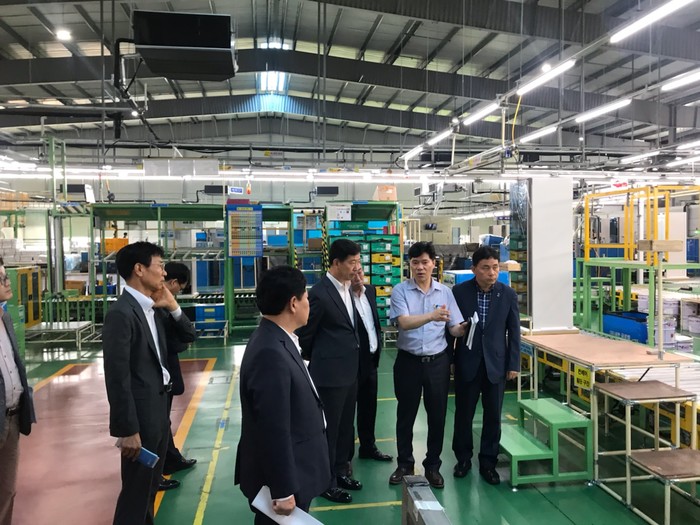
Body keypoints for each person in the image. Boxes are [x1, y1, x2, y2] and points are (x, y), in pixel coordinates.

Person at [235, 266, 330, 524]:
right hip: (285, 479)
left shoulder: (278, 338)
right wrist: (283, 489)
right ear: (293, 303)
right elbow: (272, 427)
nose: (309, 303)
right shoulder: (270, 352)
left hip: (297, 468)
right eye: (306, 297)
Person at [103, 242, 189, 525]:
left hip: (158, 412)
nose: (164, 273)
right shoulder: (122, 313)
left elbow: (188, 336)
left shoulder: (153, 308)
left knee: (150, 488)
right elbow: (117, 376)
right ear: (139, 269)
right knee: (136, 493)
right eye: (160, 266)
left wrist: (173, 306)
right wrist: (127, 429)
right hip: (140, 420)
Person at [388, 241, 466, 489]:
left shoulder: (445, 293)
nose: (420, 267)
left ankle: (432, 466)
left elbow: (453, 327)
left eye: (424, 262)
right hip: (408, 362)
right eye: (415, 263)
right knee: (405, 414)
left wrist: (463, 329)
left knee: (437, 415)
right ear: (409, 265)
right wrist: (432, 316)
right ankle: (405, 464)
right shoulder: (400, 291)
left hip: (437, 363)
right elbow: (404, 323)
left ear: (433, 264)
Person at [297, 239, 362, 504]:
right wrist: (322, 360)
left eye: (358, 261)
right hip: (329, 375)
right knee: (330, 431)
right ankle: (326, 482)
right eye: (352, 262)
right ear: (336, 263)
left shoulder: (349, 289)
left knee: (346, 429)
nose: (357, 267)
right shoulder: (320, 293)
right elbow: (306, 335)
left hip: (350, 372)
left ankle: (341, 471)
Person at [451, 246, 520, 485]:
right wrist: (450, 361)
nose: (492, 273)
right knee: (463, 414)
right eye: (486, 268)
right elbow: (450, 328)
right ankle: (463, 459)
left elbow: (514, 332)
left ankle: (488, 463)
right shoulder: (459, 292)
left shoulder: (507, 294)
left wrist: (513, 364)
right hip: (467, 362)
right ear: (474, 269)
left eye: (495, 268)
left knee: (493, 416)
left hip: (496, 365)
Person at [0, 257, 36, 525]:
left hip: (11, 418)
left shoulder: (5, 318)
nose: (7, 282)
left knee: (7, 491)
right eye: (1, 279)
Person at [157, 262, 197, 491]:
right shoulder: (153, 307)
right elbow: (178, 340)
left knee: (163, 420)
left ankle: (170, 458)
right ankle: (156, 471)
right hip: (156, 377)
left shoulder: (165, 304)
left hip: (166, 375)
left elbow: (187, 335)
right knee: (158, 422)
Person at [349, 266, 392, 463]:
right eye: (352, 274)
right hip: (351, 363)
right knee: (347, 412)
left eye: (359, 272)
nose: (357, 277)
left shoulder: (371, 291)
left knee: (369, 408)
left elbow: (373, 324)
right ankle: (345, 457)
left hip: (371, 361)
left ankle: (368, 447)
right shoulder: (343, 298)